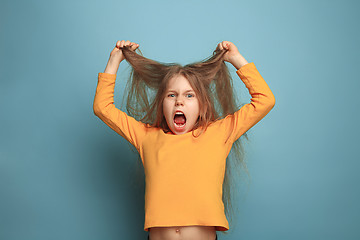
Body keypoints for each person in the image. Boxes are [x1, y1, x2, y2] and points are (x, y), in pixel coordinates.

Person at [93, 40, 276, 240]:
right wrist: (114, 60)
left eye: (189, 95)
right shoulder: (146, 136)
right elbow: (103, 108)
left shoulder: (219, 133)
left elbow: (264, 99)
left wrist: (235, 59)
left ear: (202, 106)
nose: (179, 101)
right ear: (162, 104)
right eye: (172, 95)